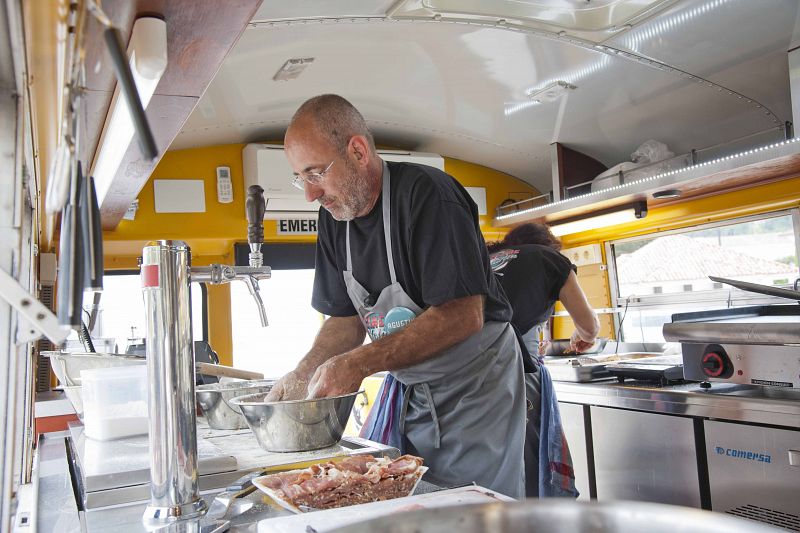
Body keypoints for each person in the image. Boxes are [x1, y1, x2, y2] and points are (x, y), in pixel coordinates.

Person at [266, 94, 527, 498]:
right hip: (414, 389)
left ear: (357, 151)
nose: (310, 195)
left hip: (477, 386)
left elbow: (462, 314)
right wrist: (305, 373)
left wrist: (356, 365)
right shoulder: (335, 219)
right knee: (414, 501)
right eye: (301, 178)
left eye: (316, 173)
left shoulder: (429, 196)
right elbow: (344, 320)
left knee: (474, 507)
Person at [488, 223, 600, 498]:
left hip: (467, 373)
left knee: (491, 463)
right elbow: (589, 326)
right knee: (529, 460)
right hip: (516, 372)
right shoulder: (549, 259)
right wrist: (585, 336)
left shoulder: (487, 258)